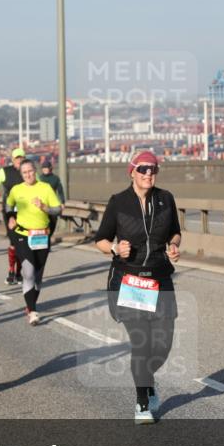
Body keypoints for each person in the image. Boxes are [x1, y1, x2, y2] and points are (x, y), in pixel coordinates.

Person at [93, 151, 181, 424]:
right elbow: (101, 239)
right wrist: (115, 249)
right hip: (129, 280)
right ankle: (142, 401)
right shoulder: (119, 202)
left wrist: (174, 245)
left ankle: (147, 379)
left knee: (163, 344)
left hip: (160, 279)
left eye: (153, 169)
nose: (148, 174)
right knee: (142, 344)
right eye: (143, 169)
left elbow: (175, 231)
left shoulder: (166, 199)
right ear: (132, 172)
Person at [5, 159, 62, 325]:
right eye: (24, 172)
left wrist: (45, 207)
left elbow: (58, 209)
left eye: (30, 171)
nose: (28, 175)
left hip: (42, 236)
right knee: (28, 272)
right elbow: (9, 205)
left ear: (35, 171)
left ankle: (31, 304)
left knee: (37, 276)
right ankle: (32, 311)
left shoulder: (45, 188)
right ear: (21, 174)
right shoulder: (16, 190)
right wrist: (10, 218)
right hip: (23, 234)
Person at [0, 148, 26, 285]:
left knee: (22, 242)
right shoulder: (5, 171)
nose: (19, 160)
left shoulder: (28, 171)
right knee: (13, 242)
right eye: (17, 158)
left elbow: (39, 186)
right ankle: (11, 271)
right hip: (10, 211)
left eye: (21, 158)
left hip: (26, 211)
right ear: (12, 159)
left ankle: (19, 273)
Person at [39, 160, 66, 237]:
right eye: (43, 168)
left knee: (53, 221)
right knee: (44, 222)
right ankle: (44, 238)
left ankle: (49, 236)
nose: (45, 169)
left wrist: (62, 202)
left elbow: (60, 191)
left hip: (52, 204)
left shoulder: (55, 179)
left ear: (50, 168)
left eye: (46, 168)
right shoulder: (39, 178)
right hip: (42, 204)